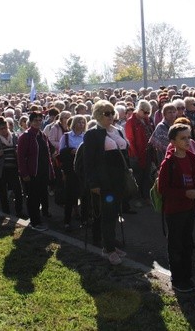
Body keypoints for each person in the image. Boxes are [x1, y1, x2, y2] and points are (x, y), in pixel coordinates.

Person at [158, 123, 195, 293]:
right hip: (175, 210)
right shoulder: (169, 163)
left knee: (187, 243)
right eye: (182, 138)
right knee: (175, 244)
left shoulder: (192, 158)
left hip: (190, 208)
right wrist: (185, 193)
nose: (187, 140)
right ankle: (177, 279)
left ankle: (188, 276)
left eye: (188, 137)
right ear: (173, 142)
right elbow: (163, 189)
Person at [83, 100, 129, 265]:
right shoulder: (92, 134)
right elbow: (89, 162)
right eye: (106, 113)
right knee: (107, 215)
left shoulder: (117, 130)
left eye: (111, 113)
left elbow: (125, 153)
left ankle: (111, 244)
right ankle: (108, 249)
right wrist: (93, 183)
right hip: (105, 181)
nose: (110, 116)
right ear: (97, 115)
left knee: (115, 213)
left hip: (119, 179)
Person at [17, 111, 55, 231]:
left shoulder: (42, 135)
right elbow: (21, 157)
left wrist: (51, 170)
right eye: (35, 120)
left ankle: (41, 216)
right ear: (30, 121)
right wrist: (24, 173)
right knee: (33, 198)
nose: (38, 122)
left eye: (40, 120)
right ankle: (35, 222)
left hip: (43, 171)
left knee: (42, 195)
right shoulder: (26, 136)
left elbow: (48, 154)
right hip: (32, 173)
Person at [0, 116, 25, 218]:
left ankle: (19, 211)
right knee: (3, 192)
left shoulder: (14, 137)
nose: (4, 130)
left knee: (18, 191)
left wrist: (17, 152)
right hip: (1, 169)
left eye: (5, 128)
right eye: (1, 129)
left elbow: (20, 150)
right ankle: (5, 211)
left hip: (13, 168)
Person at [58, 114, 87, 230]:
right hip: (70, 170)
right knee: (70, 196)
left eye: (83, 122)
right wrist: (70, 151)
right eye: (79, 122)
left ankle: (84, 219)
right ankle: (67, 221)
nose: (82, 124)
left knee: (84, 195)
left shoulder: (86, 136)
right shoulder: (66, 137)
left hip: (83, 169)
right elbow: (60, 153)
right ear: (74, 124)